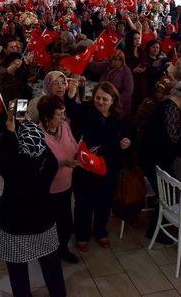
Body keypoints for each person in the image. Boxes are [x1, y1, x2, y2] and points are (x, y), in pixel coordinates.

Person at [0, 111, 66, 297]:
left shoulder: (13, 164)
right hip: (42, 221)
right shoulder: (50, 162)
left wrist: (10, 134)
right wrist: (30, 129)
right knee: (52, 267)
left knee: (18, 272)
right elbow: (40, 145)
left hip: (14, 225)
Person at [67, 82, 131, 251]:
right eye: (97, 98)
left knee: (104, 202)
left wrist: (126, 143)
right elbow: (72, 109)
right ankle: (82, 235)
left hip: (109, 168)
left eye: (105, 99)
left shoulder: (120, 117)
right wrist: (71, 95)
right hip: (86, 167)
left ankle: (100, 231)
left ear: (113, 100)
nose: (100, 102)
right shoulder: (87, 111)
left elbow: (128, 138)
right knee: (83, 203)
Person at [142, 81, 181, 243]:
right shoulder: (171, 108)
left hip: (152, 156)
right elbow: (173, 137)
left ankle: (156, 227)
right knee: (168, 194)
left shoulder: (166, 105)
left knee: (166, 193)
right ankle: (156, 230)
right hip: (155, 159)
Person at [37, 95, 80, 263]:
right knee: (49, 222)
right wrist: (62, 162)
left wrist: (81, 153)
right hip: (49, 188)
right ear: (47, 117)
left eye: (64, 112)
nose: (63, 117)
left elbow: (74, 145)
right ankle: (48, 253)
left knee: (65, 220)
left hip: (66, 184)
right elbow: (40, 166)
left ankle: (63, 248)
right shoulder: (38, 135)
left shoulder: (64, 126)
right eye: (59, 114)